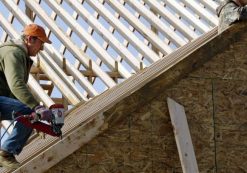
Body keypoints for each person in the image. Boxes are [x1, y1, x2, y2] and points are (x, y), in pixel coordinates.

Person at [0, 24, 53, 169]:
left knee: (29, 113)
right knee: (29, 111)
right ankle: (6, 153)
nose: (41, 49)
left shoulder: (17, 53)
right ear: (30, 39)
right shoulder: (13, 53)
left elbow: (13, 96)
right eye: (40, 44)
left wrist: (37, 123)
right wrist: (36, 108)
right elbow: (16, 85)